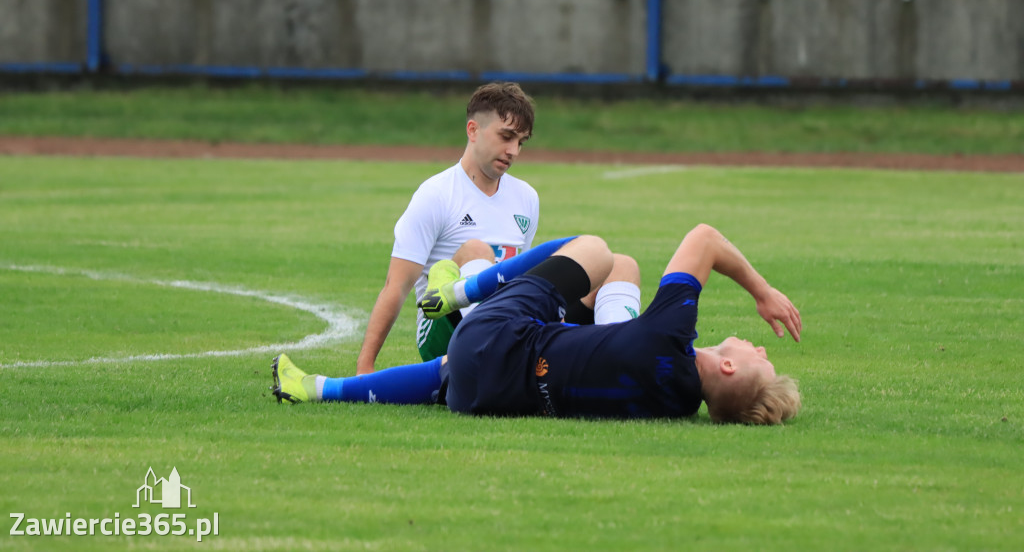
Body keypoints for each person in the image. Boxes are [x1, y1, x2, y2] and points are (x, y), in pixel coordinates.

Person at [273, 223, 803, 425]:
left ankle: (454, 291)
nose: (758, 343)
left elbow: (704, 238)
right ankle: (320, 389)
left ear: (729, 366)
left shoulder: (669, 336)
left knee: (593, 247)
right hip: (481, 392)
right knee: (624, 271)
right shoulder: (679, 404)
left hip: (493, 336)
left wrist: (763, 291)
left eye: (760, 353)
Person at [355, 82, 540, 374]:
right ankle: (499, 352)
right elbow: (397, 286)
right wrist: (364, 368)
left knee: (619, 265)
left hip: (507, 324)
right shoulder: (437, 194)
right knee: (476, 250)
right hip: (442, 333)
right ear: (473, 130)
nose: (513, 150)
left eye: (521, 141)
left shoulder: (527, 198)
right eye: (506, 137)